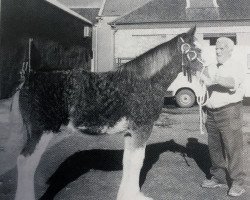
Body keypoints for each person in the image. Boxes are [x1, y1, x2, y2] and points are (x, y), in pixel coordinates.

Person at [199, 37, 246, 197]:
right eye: (217, 49)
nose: (218, 51)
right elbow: (203, 81)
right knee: (215, 147)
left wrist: (214, 79)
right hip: (211, 112)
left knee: (233, 148)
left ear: (230, 50)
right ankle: (219, 178)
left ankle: (238, 183)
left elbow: (232, 82)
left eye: (222, 49)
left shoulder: (236, 66)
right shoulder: (211, 66)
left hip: (229, 111)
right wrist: (202, 74)